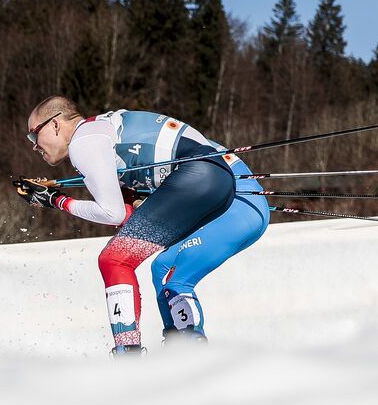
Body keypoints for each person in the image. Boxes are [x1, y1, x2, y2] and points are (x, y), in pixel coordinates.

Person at [15, 95, 268, 356]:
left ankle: (128, 354)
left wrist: (57, 201)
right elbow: (126, 217)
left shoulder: (84, 141)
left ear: (55, 124)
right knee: (163, 265)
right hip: (217, 181)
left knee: (114, 260)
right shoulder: (100, 131)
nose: (35, 147)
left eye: (34, 136)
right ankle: (183, 346)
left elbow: (110, 214)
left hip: (196, 177)